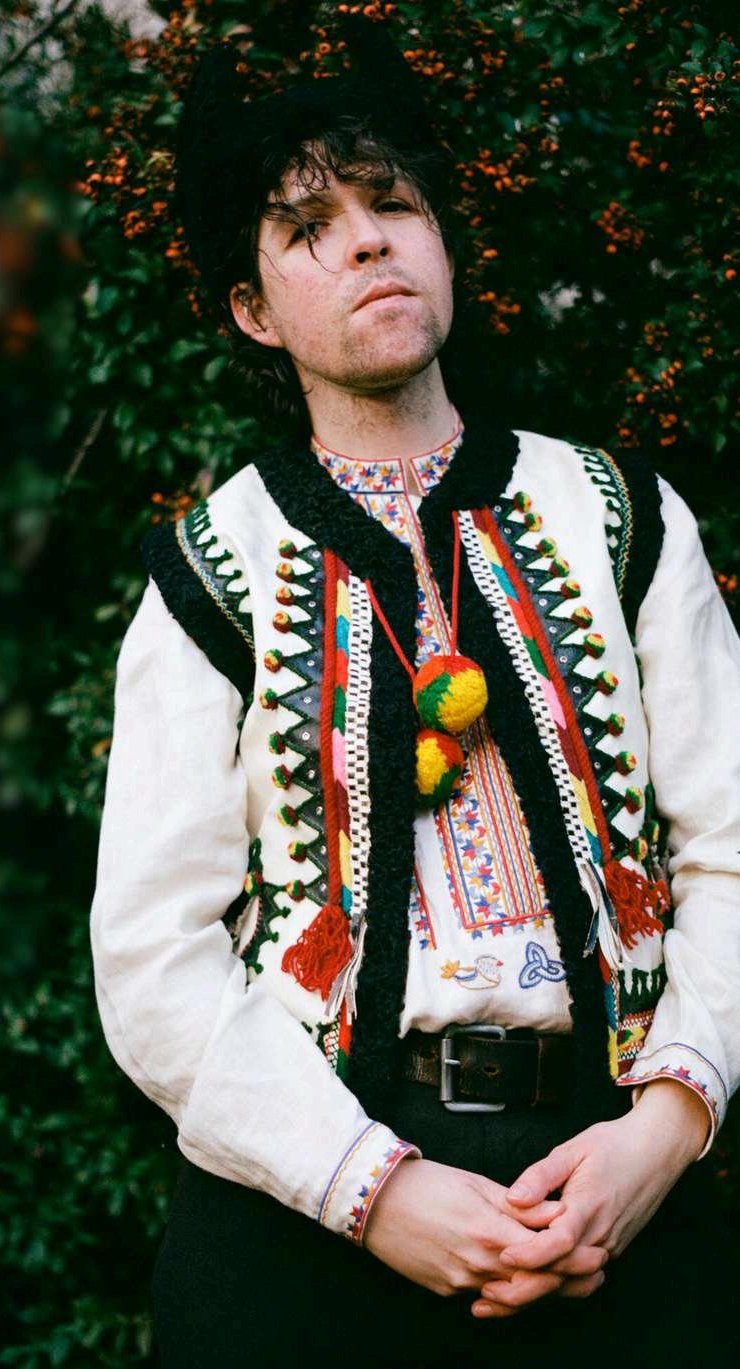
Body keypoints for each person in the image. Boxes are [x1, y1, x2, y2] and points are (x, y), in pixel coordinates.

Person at [89, 16, 739, 1367]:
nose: (370, 242)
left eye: (394, 205)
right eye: (309, 227)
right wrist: (371, 1190)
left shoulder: (619, 516)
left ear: (443, 241)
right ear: (253, 309)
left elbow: (733, 847)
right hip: (297, 1238)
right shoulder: (212, 571)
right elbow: (152, 957)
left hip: (620, 1197)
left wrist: (667, 1127)